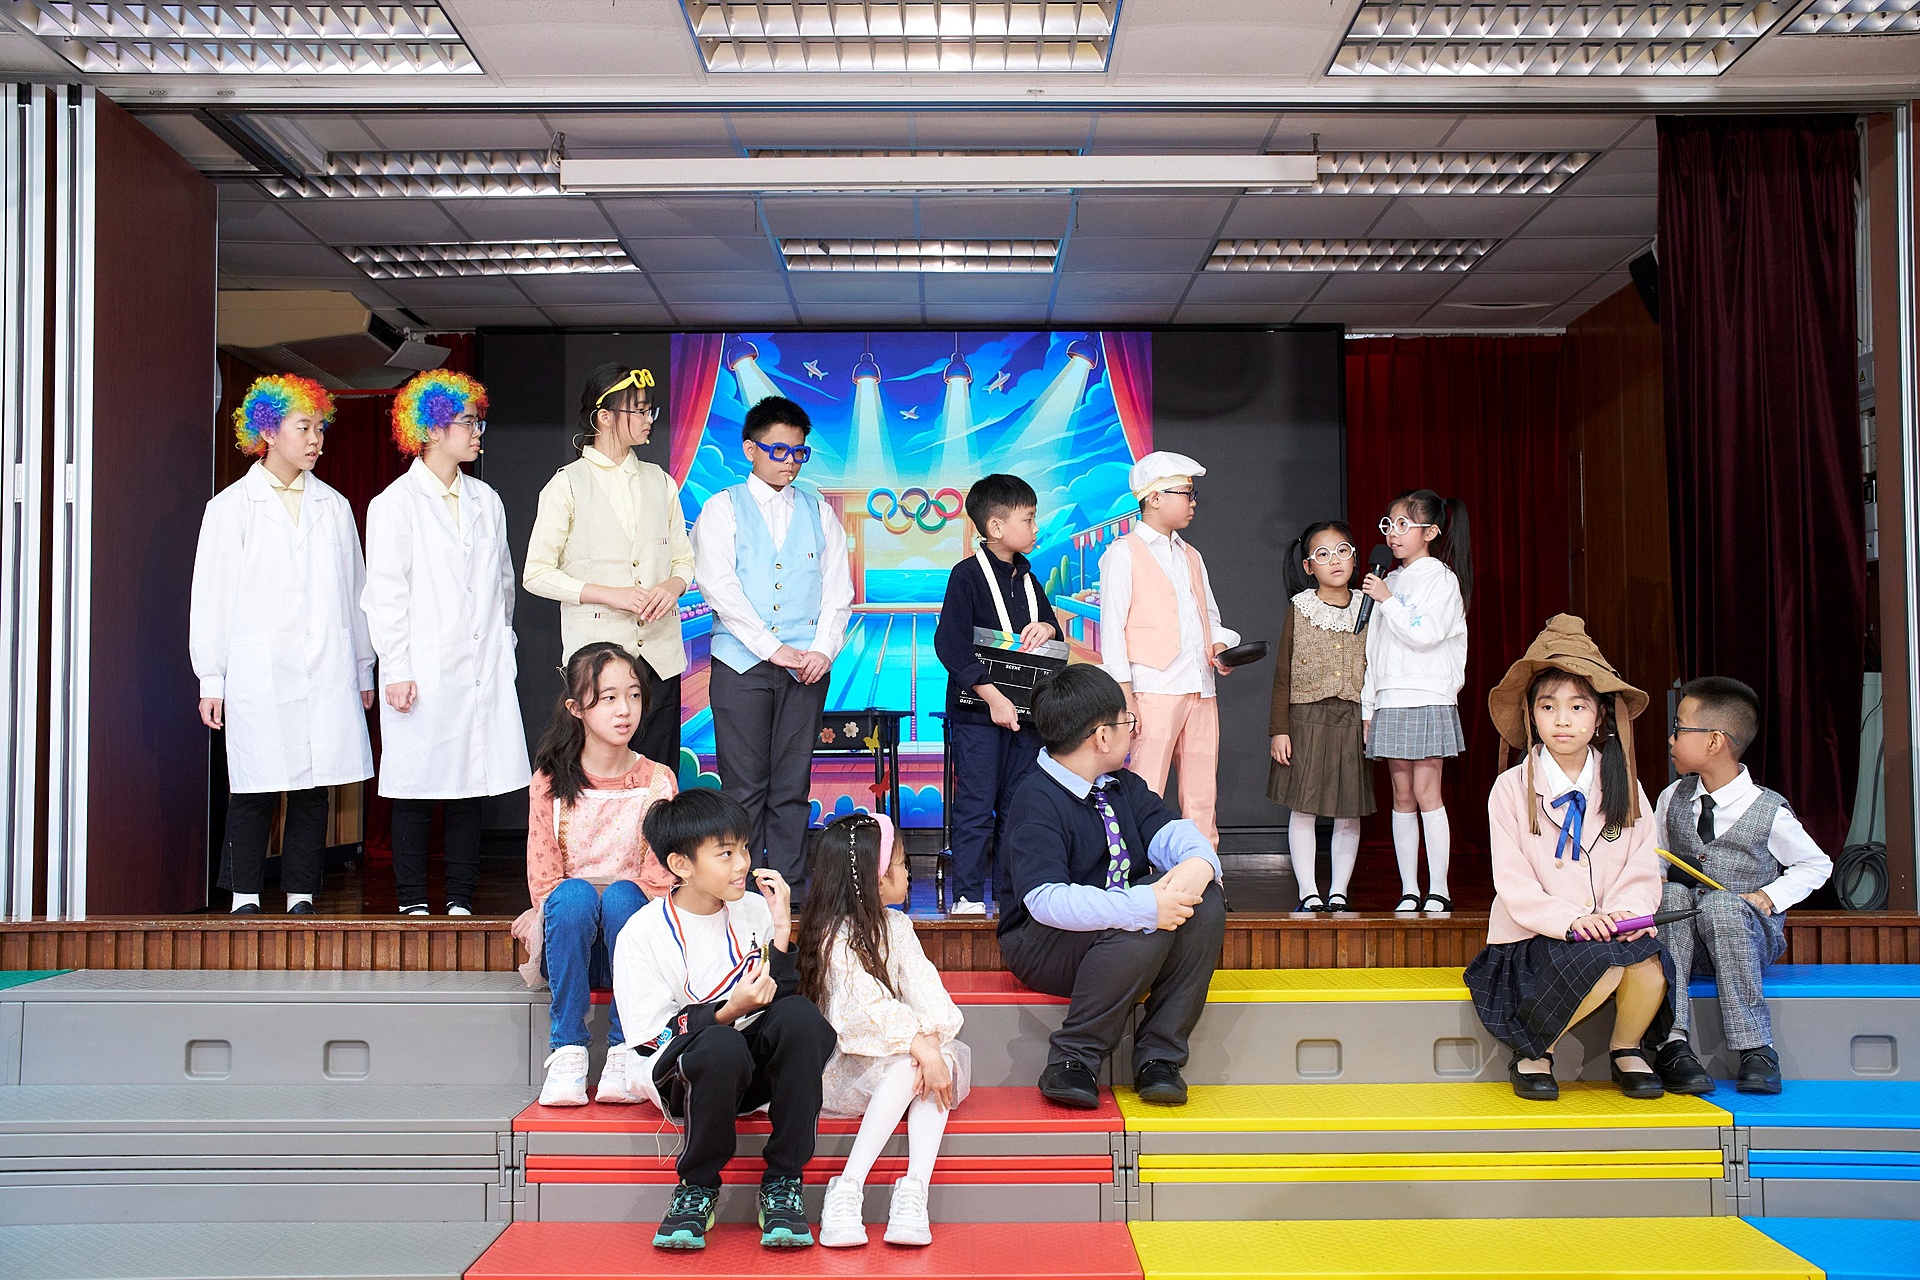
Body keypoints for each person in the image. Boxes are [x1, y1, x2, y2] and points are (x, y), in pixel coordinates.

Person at [614, 788, 837, 1251]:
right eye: (726, 854)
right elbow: (651, 1040)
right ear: (681, 865)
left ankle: (783, 1181)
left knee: (801, 1017)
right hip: (684, 1077)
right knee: (720, 1043)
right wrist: (727, 1012)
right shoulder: (642, 932)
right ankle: (696, 1187)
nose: (743, 865)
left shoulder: (753, 908)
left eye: (745, 849)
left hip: (748, 1072)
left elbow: (779, 1006)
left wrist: (781, 931)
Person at [997, 663, 1226, 1111]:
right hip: (1044, 942)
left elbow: (1173, 834)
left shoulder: (1122, 786)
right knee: (1143, 925)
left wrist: (1199, 865)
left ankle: (1160, 1057)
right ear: (1102, 736)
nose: (1133, 731)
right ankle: (1073, 1060)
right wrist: (1142, 906)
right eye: (1127, 721)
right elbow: (1045, 901)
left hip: (1116, 938)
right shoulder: (1035, 798)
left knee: (1205, 902)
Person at [190, 374, 375, 915]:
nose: (316, 439)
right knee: (255, 785)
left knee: (315, 786)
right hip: (260, 669)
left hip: (325, 666)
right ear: (268, 431)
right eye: (303, 427)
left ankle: (301, 893)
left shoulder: (334, 506)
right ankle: (244, 895)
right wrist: (212, 678)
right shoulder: (231, 507)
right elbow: (212, 596)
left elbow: (356, 592)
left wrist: (363, 668)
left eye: (320, 428)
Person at [1467, 616, 1672, 1103]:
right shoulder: (1510, 788)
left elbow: (1642, 864)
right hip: (1535, 935)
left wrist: (1626, 912)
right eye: (1548, 707)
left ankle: (1626, 1048)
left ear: (1600, 718)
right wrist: (1574, 920)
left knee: (1647, 965)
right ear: (1532, 716)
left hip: (1608, 927)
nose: (1563, 720)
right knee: (1602, 965)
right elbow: (1513, 882)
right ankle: (1536, 1051)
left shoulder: (1625, 784)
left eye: (1578, 707)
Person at [363, 370, 530, 917]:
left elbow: (502, 584)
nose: (478, 432)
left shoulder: (486, 499)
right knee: (416, 785)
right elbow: (385, 595)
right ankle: (412, 899)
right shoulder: (394, 503)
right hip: (422, 668)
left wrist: (501, 643)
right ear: (432, 430)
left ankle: (461, 896)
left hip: (480, 664)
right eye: (467, 422)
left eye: (479, 422)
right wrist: (396, 667)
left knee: (470, 786)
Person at [689, 395, 854, 892]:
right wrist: (770, 647)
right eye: (778, 450)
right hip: (741, 664)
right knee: (743, 785)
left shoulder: (819, 511)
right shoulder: (722, 508)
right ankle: (738, 890)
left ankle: (788, 888)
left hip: (806, 667)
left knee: (792, 783)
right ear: (750, 450)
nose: (790, 462)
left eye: (799, 452)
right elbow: (719, 588)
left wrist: (823, 650)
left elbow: (838, 590)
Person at [1650, 677, 1832, 1097]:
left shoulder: (1767, 809)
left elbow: (1816, 864)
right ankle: (1671, 1043)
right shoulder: (1672, 797)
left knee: (1722, 906)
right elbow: (1656, 859)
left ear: (1714, 741)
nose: (1672, 739)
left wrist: (1769, 896)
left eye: (1679, 728)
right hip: (1686, 941)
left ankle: (1756, 1049)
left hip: (1746, 938)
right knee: (1671, 895)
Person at [515, 642, 677, 1108]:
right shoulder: (550, 781)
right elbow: (545, 881)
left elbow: (660, 882)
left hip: (636, 953)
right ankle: (568, 1050)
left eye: (633, 695)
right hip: (571, 948)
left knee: (625, 896)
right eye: (608, 698)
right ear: (576, 708)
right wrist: (557, 905)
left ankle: (627, 1050)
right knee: (572, 897)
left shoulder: (658, 780)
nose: (624, 710)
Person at [800, 813, 969, 1248]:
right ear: (875, 880)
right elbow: (863, 1013)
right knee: (915, 1062)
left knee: (936, 1057)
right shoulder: (834, 936)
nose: (909, 871)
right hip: (851, 1066)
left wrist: (928, 1046)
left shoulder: (899, 926)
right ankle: (847, 1187)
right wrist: (922, 1049)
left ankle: (914, 1191)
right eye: (900, 863)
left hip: (902, 1055)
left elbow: (931, 998)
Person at [524, 364, 696, 769]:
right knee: (598, 774)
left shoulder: (660, 481)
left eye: (650, 410)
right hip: (598, 660)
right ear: (604, 416)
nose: (649, 419)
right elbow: (536, 573)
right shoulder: (566, 483)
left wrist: (672, 586)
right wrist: (609, 594)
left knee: (659, 773)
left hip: (659, 657)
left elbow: (685, 560)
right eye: (640, 410)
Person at [933, 473, 1060, 916]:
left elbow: (1053, 634)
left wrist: (1047, 628)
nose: (1036, 528)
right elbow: (949, 643)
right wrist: (992, 697)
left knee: (1019, 808)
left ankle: (1013, 897)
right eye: (1029, 519)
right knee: (975, 805)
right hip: (979, 715)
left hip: (1026, 717)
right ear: (996, 527)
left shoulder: (1028, 578)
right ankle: (968, 896)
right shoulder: (966, 575)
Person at [1097, 451, 1239, 844]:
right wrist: (1126, 698)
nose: (1193, 502)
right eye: (1186, 493)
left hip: (1201, 688)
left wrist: (1219, 645)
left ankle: (1205, 870)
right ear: (1155, 497)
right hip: (1153, 689)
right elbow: (1112, 632)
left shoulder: (1191, 554)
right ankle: (1136, 870)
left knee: (1202, 795)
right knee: (1145, 789)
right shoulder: (1123, 552)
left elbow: (1210, 616)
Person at [1360, 487, 1472, 914]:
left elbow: (1426, 635)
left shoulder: (1441, 579)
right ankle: (1409, 888)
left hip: (1427, 695)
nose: (1392, 533)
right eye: (1388, 524)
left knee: (1428, 792)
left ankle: (1438, 888)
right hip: (1390, 697)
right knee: (1401, 794)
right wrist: (1369, 706)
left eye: (1403, 524)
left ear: (1431, 531)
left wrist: (1388, 601)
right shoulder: (1388, 581)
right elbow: (1372, 651)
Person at [1268, 520, 1374, 913]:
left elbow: (1380, 665)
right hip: (1306, 718)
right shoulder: (1301, 608)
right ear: (1309, 566)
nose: (1335, 561)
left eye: (1343, 551)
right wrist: (1279, 729)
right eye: (1324, 554)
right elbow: (1283, 671)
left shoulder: (1370, 606)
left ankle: (1339, 889)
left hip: (1353, 718)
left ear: (1355, 558)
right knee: (1304, 806)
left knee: (1349, 808)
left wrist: (1373, 716)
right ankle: (1308, 890)